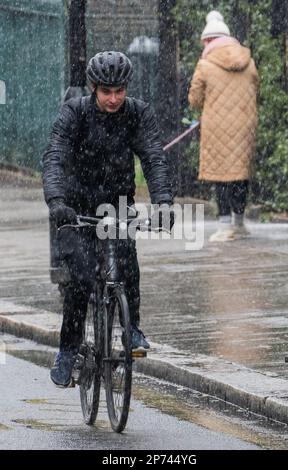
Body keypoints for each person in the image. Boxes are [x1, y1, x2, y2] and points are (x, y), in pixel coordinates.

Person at [42, 51, 174, 387]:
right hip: (77, 206)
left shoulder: (138, 113)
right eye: (106, 92)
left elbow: (154, 159)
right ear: (93, 88)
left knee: (128, 264)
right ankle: (68, 350)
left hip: (117, 204)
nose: (114, 99)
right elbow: (55, 156)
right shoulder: (75, 112)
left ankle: (133, 329)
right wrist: (57, 202)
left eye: (119, 91)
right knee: (81, 277)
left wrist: (163, 202)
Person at [188, 11, 259, 242]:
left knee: (221, 176)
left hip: (217, 127)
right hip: (245, 124)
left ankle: (225, 225)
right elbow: (256, 89)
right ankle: (239, 223)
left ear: (208, 40)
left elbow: (195, 100)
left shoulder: (206, 64)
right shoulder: (249, 62)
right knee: (240, 174)